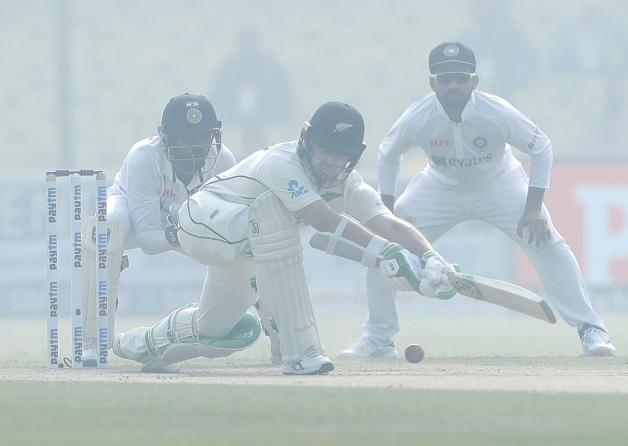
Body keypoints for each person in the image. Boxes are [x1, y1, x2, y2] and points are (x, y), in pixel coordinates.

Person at [112, 101, 458, 375]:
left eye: (341, 156)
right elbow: (322, 219)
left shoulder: (344, 182)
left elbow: (387, 221)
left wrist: (431, 259)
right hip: (203, 220)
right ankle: (300, 352)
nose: (330, 162)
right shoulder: (281, 163)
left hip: (246, 246)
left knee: (213, 328)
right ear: (307, 140)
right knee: (274, 214)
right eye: (325, 150)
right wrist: (385, 254)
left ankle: (144, 343)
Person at [339, 42, 616, 359]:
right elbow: (388, 155)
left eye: (460, 77)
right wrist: (386, 213)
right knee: (384, 247)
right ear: (433, 83)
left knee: (547, 241)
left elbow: (541, 147)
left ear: (474, 80)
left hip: (499, 184)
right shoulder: (418, 116)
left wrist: (533, 207)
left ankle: (591, 330)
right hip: (439, 188)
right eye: (445, 79)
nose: (453, 85)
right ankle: (378, 339)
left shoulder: (495, 112)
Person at [81, 93, 236, 366]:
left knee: (245, 246)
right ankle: (93, 341)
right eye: (186, 139)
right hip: (132, 212)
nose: (195, 148)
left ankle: (280, 341)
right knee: (107, 231)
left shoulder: (223, 160)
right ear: (166, 138)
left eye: (202, 137)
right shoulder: (144, 158)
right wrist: (190, 233)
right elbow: (150, 240)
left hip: (185, 224)